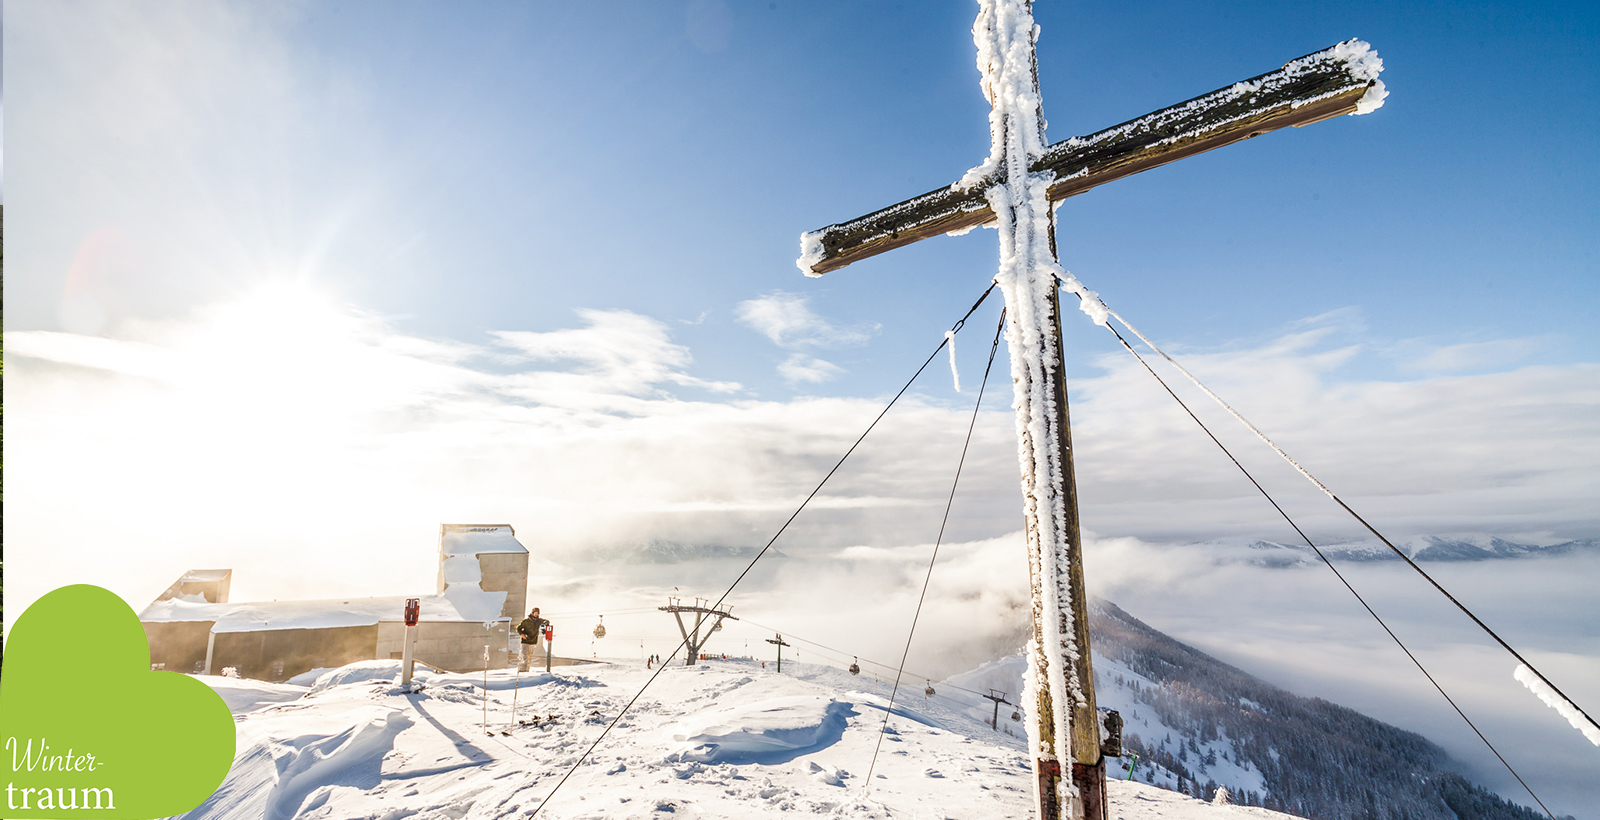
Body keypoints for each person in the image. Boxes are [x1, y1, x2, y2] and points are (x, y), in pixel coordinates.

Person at [516, 607, 547, 672]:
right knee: (524, 655)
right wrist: (522, 634)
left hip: (533, 641)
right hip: (525, 641)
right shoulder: (526, 621)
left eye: (537, 613)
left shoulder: (539, 621)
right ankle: (522, 669)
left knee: (529, 656)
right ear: (532, 613)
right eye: (535, 613)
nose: (536, 614)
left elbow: (546, 621)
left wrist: (544, 624)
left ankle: (527, 669)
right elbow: (518, 628)